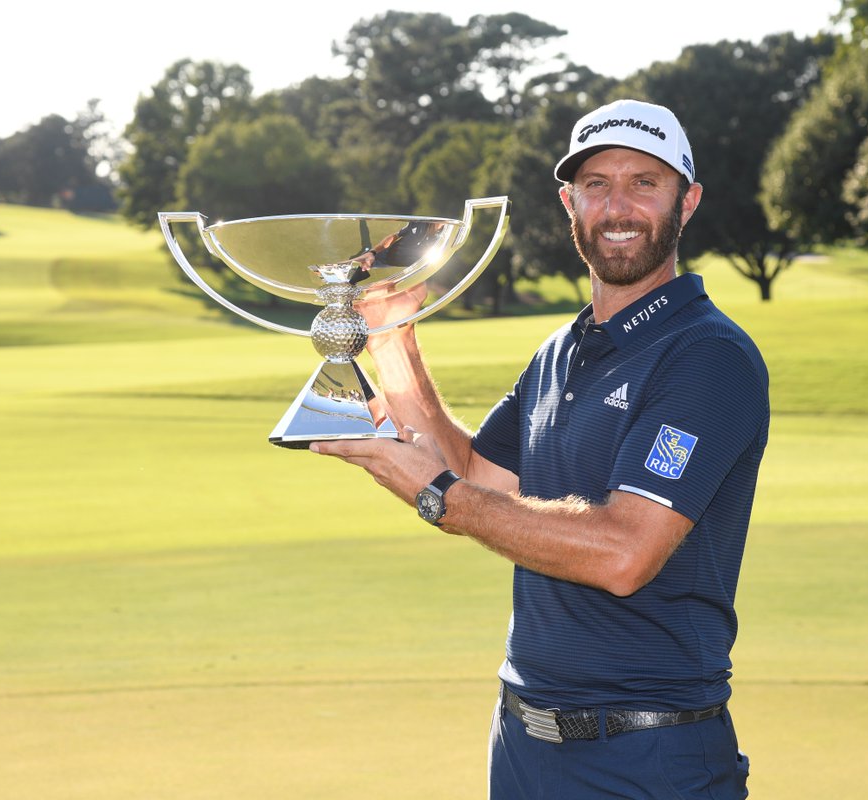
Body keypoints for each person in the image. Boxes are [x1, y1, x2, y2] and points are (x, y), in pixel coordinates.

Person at [312, 98, 769, 800]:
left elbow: (624, 554)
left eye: (644, 182)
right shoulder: (560, 352)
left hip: (650, 760)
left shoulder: (708, 358)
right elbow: (470, 472)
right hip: (524, 751)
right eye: (596, 185)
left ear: (689, 200)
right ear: (568, 202)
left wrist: (437, 498)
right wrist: (392, 338)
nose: (618, 206)